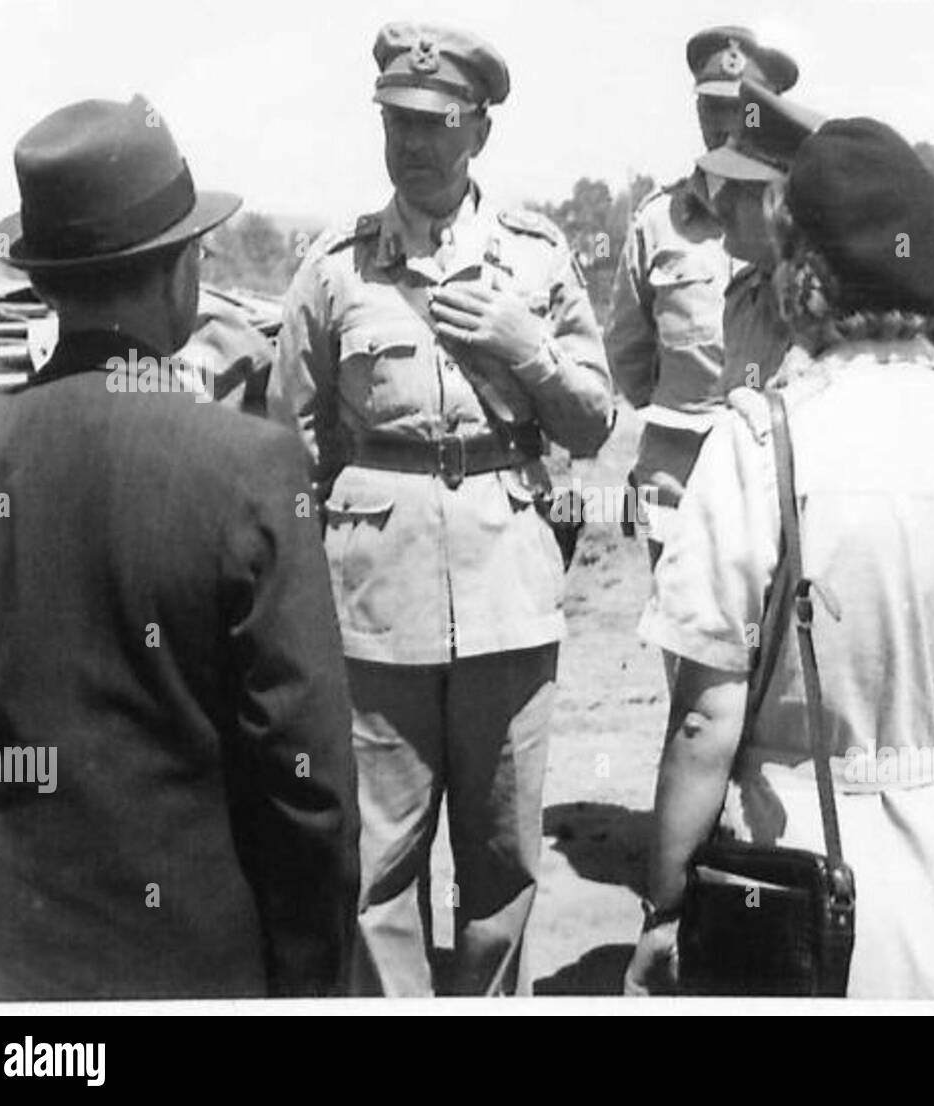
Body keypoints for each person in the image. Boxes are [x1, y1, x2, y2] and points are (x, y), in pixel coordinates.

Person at [624, 118, 934, 999]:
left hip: (796, 880)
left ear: (800, 272)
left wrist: (665, 907)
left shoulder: (759, 441)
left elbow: (706, 724)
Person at [0, 96, 360, 1000]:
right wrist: (311, 983)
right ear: (179, 272)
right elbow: (307, 782)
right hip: (193, 968)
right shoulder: (247, 465)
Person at [267, 22, 614, 997]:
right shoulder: (336, 266)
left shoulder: (538, 260)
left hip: (509, 582)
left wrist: (527, 348)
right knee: (377, 859)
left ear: (480, 133)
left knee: (502, 851)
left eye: (434, 123)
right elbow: (289, 444)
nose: (412, 142)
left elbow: (591, 426)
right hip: (376, 596)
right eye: (395, 121)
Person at [606, 27, 797, 564]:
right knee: (685, 634)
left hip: (774, 471)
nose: (726, 124)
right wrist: (691, 408)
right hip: (679, 474)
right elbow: (628, 354)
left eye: (742, 110)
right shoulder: (658, 221)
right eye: (713, 108)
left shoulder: (801, 220)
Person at [696, 76, 822, 393]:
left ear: (782, 207)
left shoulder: (835, 315)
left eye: (739, 189)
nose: (720, 202)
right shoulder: (744, 297)